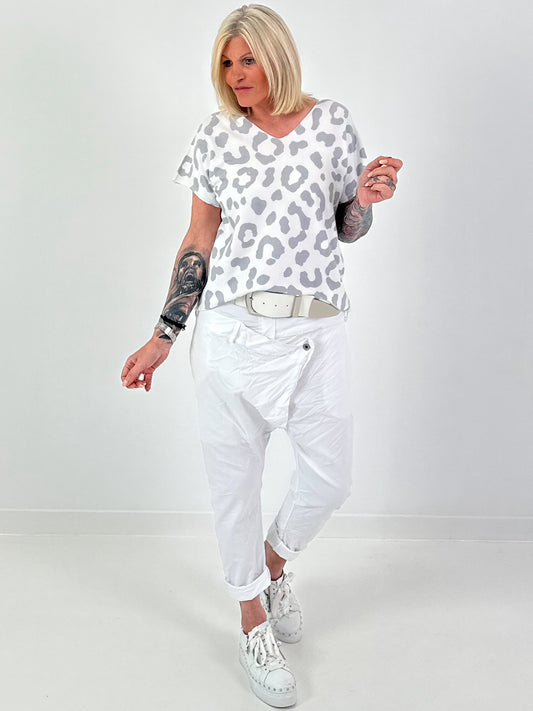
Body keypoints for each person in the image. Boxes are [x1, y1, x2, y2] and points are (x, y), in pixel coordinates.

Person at [121, 4, 403, 707]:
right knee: (233, 488)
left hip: (316, 331)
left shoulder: (331, 123)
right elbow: (199, 241)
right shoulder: (215, 136)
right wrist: (163, 334)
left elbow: (346, 227)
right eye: (226, 62)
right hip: (231, 333)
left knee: (331, 479)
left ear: (277, 55)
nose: (235, 74)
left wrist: (366, 198)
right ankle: (251, 619)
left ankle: (272, 567)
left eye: (247, 59)